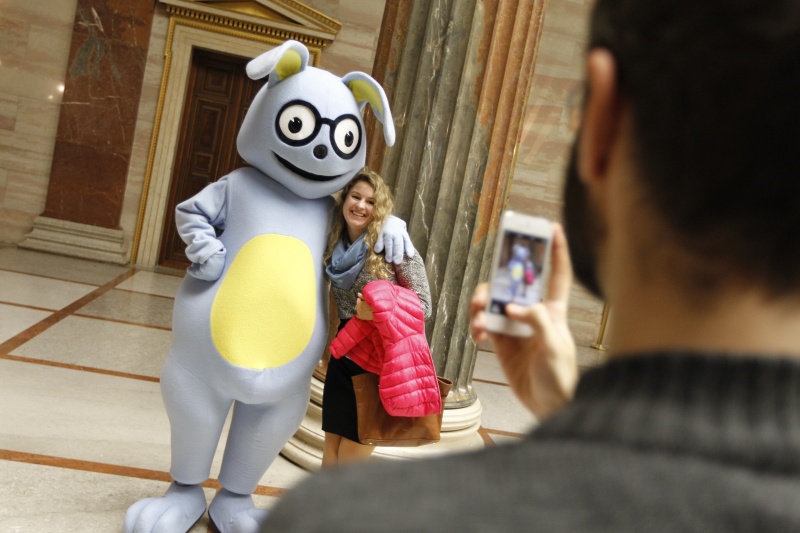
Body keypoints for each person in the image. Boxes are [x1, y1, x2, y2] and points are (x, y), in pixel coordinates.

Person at [261, 0, 800, 530]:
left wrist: (569, 421)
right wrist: (566, 410)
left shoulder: (342, 516)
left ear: (602, 124)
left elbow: (419, 303)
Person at [321, 169, 432, 467]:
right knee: (330, 451)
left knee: (350, 460)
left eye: (371, 201)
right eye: (355, 197)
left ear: (378, 208)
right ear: (344, 200)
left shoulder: (393, 246)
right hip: (344, 354)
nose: (361, 206)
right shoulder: (335, 244)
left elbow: (424, 305)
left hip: (379, 362)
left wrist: (378, 311)